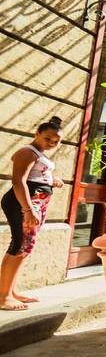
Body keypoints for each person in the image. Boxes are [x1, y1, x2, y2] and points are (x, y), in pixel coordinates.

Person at [1, 116, 64, 311]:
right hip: (23, 204)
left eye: (56, 141)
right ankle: (3, 297)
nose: (52, 143)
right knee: (19, 244)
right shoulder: (27, 152)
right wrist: (27, 210)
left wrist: (51, 179)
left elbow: (36, 176)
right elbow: (19, 181)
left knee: (25, 247)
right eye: (48, 139)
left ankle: (11, 291)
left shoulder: (39, 153)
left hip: (35, 204)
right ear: (36, 134)